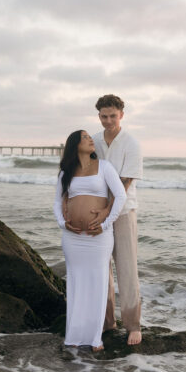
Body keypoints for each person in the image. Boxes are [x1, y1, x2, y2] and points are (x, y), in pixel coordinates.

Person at [53, 130, 127, 351]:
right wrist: (63, 223)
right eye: (85, 137)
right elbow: (57, 203)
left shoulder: (104, 167)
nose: (90, 140)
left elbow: (120, 196)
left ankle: (95, 338)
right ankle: (74, 335)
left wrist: (105, 224)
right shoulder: (65, 172)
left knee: (98, 283)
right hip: (72, 238)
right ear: (75, 145)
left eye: (90, 137)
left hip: (99, 238)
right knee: (76, 283)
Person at [92, 94, 143, 346]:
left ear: (121, 115)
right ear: (99, 116)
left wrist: (108, 210)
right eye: (104, 116)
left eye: (113, 115)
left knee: (126, 268)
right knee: (102, 269)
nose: (108, 120)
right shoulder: (93, 141)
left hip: (122, 211)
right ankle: (107, 322)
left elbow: (125, 182)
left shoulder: (131, 143)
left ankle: (133, 324)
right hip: (98, 211)